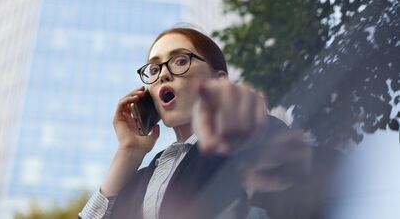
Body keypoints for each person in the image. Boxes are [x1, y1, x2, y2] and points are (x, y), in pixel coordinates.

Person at [79, 27, 312, 219]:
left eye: (180, 60)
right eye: (154, 68)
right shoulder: (140, 179)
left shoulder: (250, 135)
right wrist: (127, 154)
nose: (163, 74)